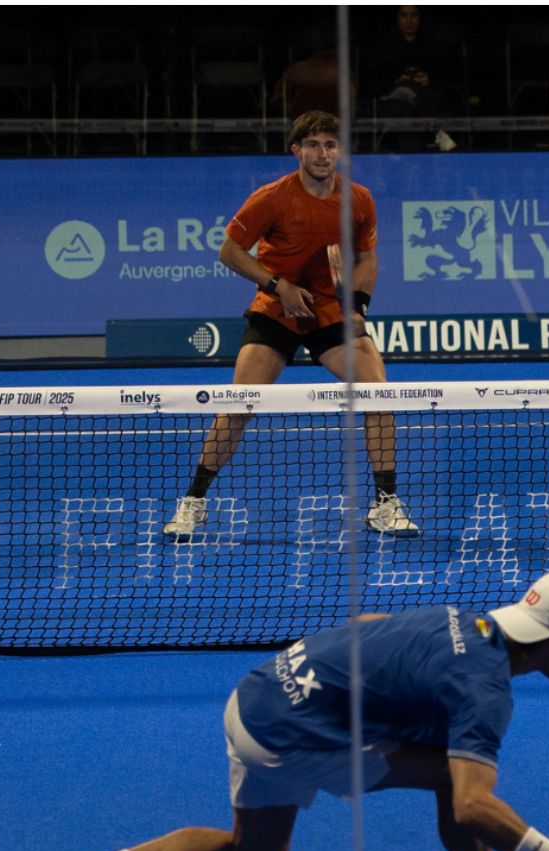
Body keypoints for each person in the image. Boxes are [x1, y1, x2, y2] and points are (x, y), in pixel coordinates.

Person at [33, 572, 549, 851]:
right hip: (289, 739)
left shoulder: (458, 619)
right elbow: (470, 805)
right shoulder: (486, 693)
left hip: (255, 697)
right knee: (454, 778)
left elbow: (366, 628)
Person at [162, 111, 419, 542]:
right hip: (277, 311)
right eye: (314, 145)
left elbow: (368, 258)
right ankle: (194, 501)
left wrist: (358, 306)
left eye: (331, 145)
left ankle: (384, 504)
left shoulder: (358, 200)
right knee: (239, 405)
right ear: (296, 150)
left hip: (329, 314)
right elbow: (230, 251)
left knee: (379, 396)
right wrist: (278, 286)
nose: (323, 154)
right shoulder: (272, 197)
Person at [365, 6, 459, 151]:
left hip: (425, 97)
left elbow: (446, 78)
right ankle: (437, 134)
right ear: (397, 18)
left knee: (420, 100)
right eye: (404, 15)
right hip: (394, 98)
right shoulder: (385, 48)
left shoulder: (434, 46)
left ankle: (409, 148)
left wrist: (429, 78)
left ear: (420, 18)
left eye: (414, 15)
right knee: (402, 98)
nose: (409, 21)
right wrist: (396, 80)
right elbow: (375, 82)